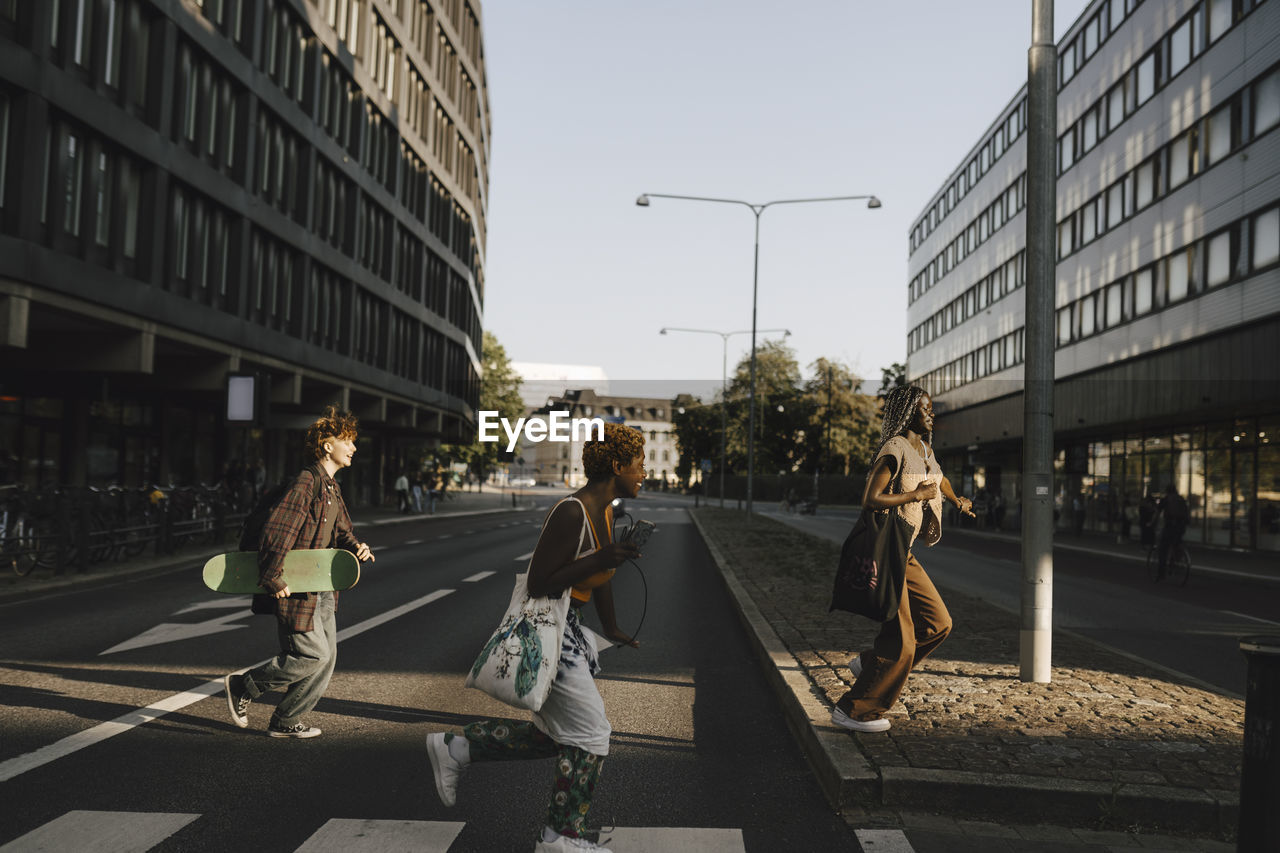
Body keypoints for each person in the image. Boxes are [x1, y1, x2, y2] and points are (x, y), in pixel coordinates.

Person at [425, 422, 646, 853]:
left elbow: (600, 579)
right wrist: (601, 556)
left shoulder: (605, 510)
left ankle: (458, 747)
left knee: (557, 734)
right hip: (552, 631)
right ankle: (560, 836)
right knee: (592, 733)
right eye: (639, 466)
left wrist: (613, 626)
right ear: (617, 466)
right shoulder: (571, 511)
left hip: (573, 631)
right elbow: (540, 581)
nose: (644, 474)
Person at [223, 405, 375, 738]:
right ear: (326, 445)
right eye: (346, 441)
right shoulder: (306, 482)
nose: (353, 448)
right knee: (311, 653)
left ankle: (287, 720)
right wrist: (273, 576)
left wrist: (356, 547)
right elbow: (278, 530)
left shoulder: (332, 487)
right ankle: (243, 686)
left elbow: (344, 529)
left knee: (327, 658)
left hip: (322, 587)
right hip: (295, 587)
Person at [831, 385, 974, 734]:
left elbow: (938, 479)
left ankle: (870, 664)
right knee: (903, 640)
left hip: (904, 551)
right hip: (888, 548)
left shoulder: (924, 448)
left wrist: (956, 500)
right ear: (908, 412)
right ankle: (855, 709)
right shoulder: (894, 449)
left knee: (939, 623)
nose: (931, 414)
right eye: (925, 409)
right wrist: (915, 494)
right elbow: (871, 497)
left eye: (931, 409)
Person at [1157, 483, 1190, 578]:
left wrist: (1152, 523)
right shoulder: (1181, 499)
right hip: (1181, 527)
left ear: (1167, 491)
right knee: (1176, 545)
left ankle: (1161, 573)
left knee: (1163, 549)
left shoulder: (1166, 499)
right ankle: (1173, 565)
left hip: (1170, 526)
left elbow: (1157, 513)